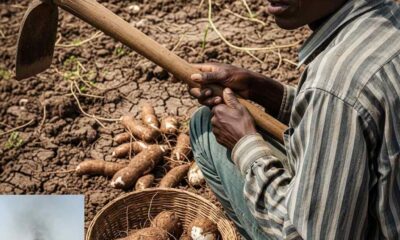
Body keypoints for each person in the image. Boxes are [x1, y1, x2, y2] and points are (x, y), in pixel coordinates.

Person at [186, 0, 400, 239]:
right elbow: (360, 112)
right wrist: (269, 92)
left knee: (205, 125)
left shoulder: (335, 83)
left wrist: (244, 145)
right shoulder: (391, 21)